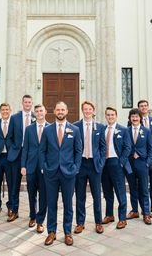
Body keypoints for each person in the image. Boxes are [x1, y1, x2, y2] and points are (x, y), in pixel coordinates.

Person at [39, 101, 82, 246]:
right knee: (51, 203)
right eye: (58, 109)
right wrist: (44, 166)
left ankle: (67, 232)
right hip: (51, 172)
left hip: (68, 173)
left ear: (67, 111)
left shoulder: (74, 130)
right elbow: (42, 150)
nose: (60, 111)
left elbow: (78, 151)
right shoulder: (47, 130)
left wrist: (76, 168)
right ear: (54, 111)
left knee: (68, 204)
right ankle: (51, 232)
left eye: (63, 109)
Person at [73, 101, 106, 234]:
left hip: (94, 165)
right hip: (80, 164)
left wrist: (101, 162)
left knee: (96, 195)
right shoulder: (75, 126)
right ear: (82, 111)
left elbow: (103, 147)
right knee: (80, 195)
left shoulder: (100, 127)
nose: (87, 111)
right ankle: (80, 223)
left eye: (89, 109)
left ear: (93, 111)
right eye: (85, 109)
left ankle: (98, 222)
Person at [101, 107, 132, 229]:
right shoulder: (102, 130)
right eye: (108, 115)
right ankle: (109, 215)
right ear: (105, 116)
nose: (110, 117)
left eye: (112, 115)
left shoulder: (123, 130)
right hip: (104, 164)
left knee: (120, 191)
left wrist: (121, 162)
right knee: (107, 191)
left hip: (116, 163)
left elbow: (127, 148)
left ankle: (122, 218)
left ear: (116, 116)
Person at [8, 94, 36, 223]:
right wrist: (13, 149)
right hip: (17, 156)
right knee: (14, 185)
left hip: (31, 157)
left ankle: (33, 215)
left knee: (33, 187)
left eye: (29, 102)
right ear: (22, 103)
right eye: (25, 102)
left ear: (32, 103)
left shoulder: (36, 117)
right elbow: (9, 137)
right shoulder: (14, 118)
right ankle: (14, 211)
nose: (28, 104)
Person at [21, 104, 49, 232]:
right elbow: (25, 149)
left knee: (44, 194)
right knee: (31, 193)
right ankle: (32, 216)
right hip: (31, 166)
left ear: (45, 112)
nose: (39, 113)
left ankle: (40, 220)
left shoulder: (51, 128)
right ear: (35, 113)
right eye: (37, 111)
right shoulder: (29, 129)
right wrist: (23, 165)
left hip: (45, 168)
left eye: (41, 111)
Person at [126, 108, 152, 225]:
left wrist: (147, 163)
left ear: (140, 118)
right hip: (130, 163)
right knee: (132, 188)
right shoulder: (125, 131)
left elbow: (151, 149)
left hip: (142, 164)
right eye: (133, 116)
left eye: (137, 116)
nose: (135, 118)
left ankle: (146, 213)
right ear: (130, 118)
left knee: (144, 189)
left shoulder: (146, 131)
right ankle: (134, 210)